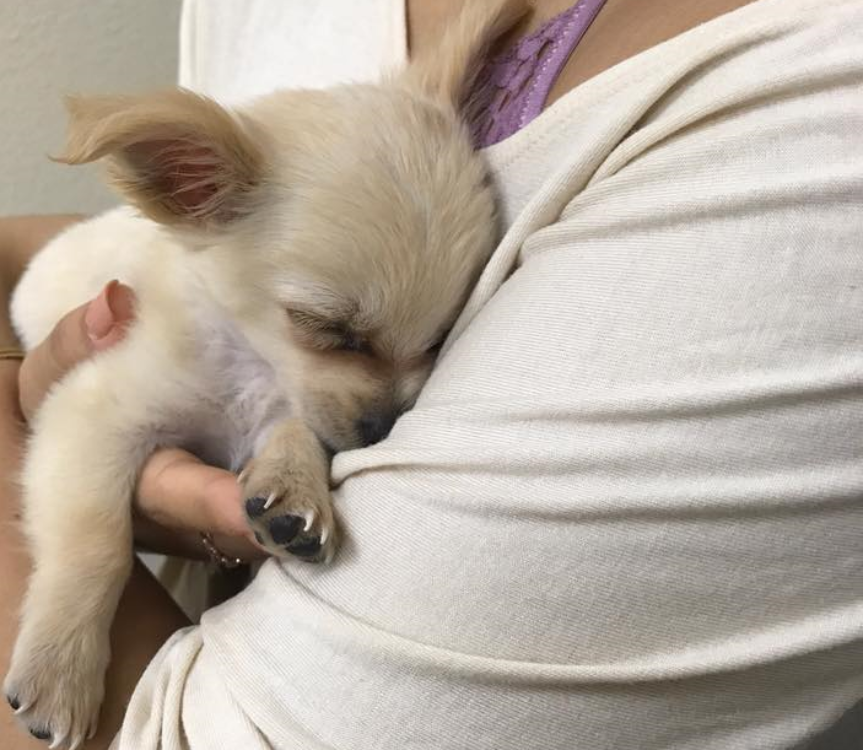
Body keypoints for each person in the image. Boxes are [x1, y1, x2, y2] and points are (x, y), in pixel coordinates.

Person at [2, 0, 862, 747]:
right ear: (187, 187)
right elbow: (90, 403)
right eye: (333, 331)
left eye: (437, 342)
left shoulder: (805, 105)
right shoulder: (206, 260)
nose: (392, 403)